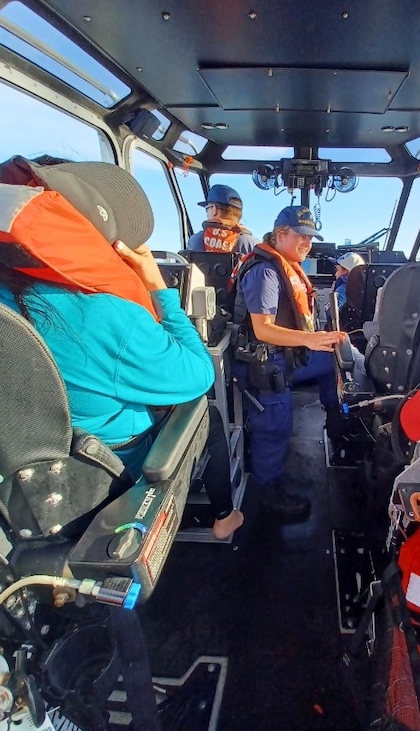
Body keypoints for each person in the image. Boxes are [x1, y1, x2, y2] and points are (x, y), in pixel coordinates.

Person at [0, 156, 243, 540]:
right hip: (104, 469)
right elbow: (199, 373)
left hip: (20, 489)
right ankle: (223, 517)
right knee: (207, 414)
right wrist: (158, 288)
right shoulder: (105, 315)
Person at [232, 205, 346, 520]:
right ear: (281, 234)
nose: (307, 244)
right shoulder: (265, 271)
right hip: (264, 364)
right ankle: (268, 493)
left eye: (311, 238)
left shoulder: (286, 265)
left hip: (288, 355)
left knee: (330, 363)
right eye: (302, 236)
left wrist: (320, 340)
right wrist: (310, 339)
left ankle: (338, 423)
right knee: (275, 428)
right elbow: (263, 329)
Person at [187, 184, 258, 254]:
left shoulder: (195, 240)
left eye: (207, 209)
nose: (206, 213)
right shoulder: (252, 244)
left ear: (214, 209)